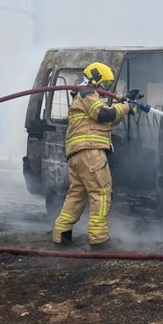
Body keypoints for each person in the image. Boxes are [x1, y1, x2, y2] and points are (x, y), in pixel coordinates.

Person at [52, 62, 133, 248]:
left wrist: (124, 106)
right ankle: (99, 240)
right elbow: (104, 114)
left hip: (78, 155)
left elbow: (105, 122)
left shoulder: (82, 97)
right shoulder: (87, 94)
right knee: (101, 193)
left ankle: (61, 234)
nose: (106, 90)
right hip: (90, 153)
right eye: (105, 85)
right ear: (97, 81)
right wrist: (126, 107)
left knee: (76, 195)